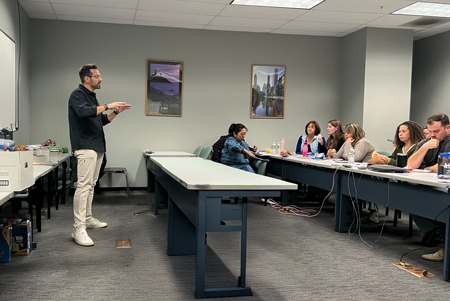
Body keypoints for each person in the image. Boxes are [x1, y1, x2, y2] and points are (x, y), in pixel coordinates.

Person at [69, 64, 132, 247]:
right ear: (87, 79)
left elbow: (101, 120)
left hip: (97, 147)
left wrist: (115, 112)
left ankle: (87, 219)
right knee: (83, 186)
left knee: (90, 185)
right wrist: (107, 105)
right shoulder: (77, 94)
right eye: (97, 76)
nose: (101, 79)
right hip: (85, 146)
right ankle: (78, 227)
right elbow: (83, 112)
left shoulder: (91, 97)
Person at [407, 113, 450, 261]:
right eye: (430, 131)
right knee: (407, 192)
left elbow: (446, 165)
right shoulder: (427, 142)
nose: (432, 135)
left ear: (448, 127)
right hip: (432, 183)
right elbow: (411, 165)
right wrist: (424, 147)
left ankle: (445, 244)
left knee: (442, 200)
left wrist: (429, 168)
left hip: (445, 186)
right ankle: (433, 231)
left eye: (436, 131)